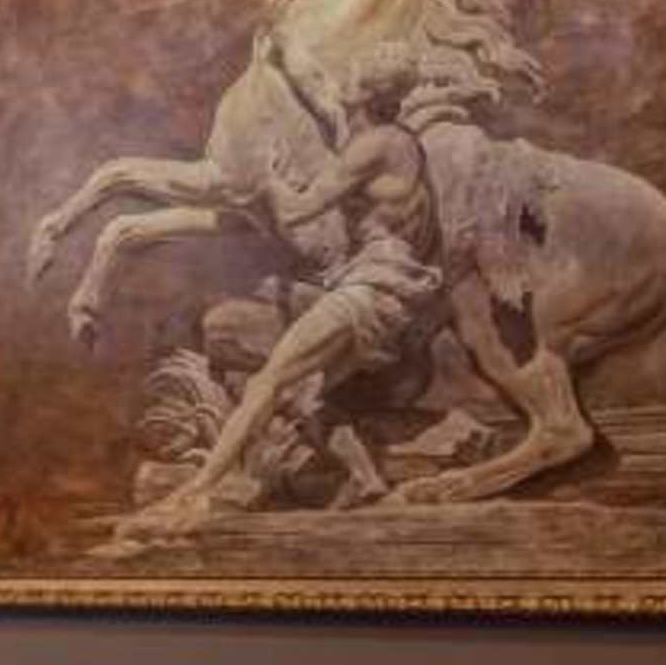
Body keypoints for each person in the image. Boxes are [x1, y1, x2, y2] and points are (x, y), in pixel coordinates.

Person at [135, 45, 448, 526]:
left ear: (363, 92)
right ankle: (367, 481)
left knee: (268, 381)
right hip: (388, 290)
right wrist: (276, 48)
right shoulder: (398, 140)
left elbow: (300, 210)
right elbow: (323, 95)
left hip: (370, 290)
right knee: (306, 394)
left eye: (352, 75)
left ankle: (191, 496)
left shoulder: (372, 147)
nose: (339, 82)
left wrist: (267, 177)